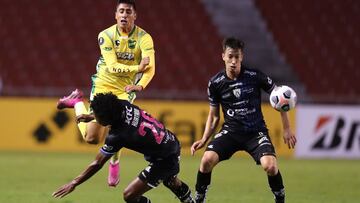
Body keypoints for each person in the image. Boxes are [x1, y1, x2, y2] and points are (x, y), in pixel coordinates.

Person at [56, 0, 155, 187]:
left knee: (119, 124)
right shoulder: (106, 35)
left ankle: (114, 162)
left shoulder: (144, 38)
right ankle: (77, 101)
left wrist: (140, 86)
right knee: (92, 138)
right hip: (103, 85)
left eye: (128, 12)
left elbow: (150, 68)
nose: (124, 15)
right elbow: (112, 66)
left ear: (135, 15)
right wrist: (137, 68)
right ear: (115, 15)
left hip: (125, 89)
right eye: (121, 11)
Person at [190, 37, 297, 203]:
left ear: (242, 57)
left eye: (237, 57)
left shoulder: (254, 76)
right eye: (230, 56)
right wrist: (204, 139)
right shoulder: (215, 83)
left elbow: (280, 96)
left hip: (255, 132)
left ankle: (280, 198)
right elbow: (214, 116)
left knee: (270, 166)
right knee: (206, 160)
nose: (233, 61)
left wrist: (287, 128)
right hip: (230, 133)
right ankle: (199, 198)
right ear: (223, 56)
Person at [53, 93, 195, 203]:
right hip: (170, 141)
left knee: (129, 195)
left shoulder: (118, 135)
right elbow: (111, 114)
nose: (95, 118)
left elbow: (97, 163)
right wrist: (91, 117)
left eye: (97, 116)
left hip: (164, 159)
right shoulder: (122, 104)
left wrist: (74, 183)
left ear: (106, 119)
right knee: (170, 181)